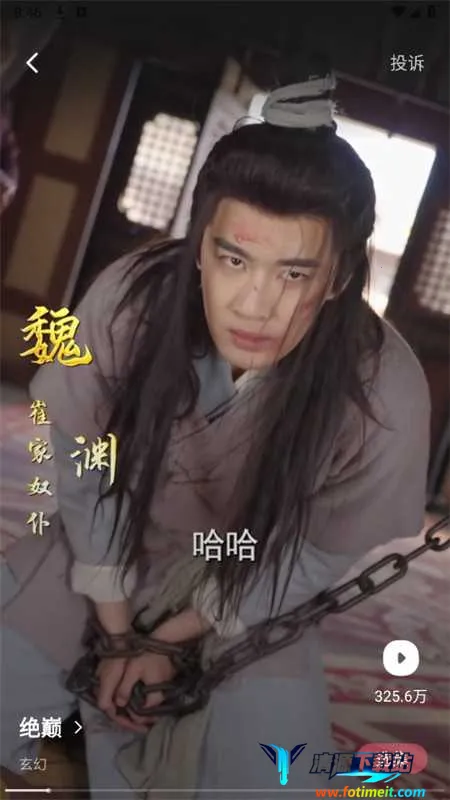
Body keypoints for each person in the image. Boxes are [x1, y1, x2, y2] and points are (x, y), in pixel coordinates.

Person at [1, 76, 430, 799]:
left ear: (337, 279)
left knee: (268, 780)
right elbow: (83, 468)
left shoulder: (384, 388)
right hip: (98, 552)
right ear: (200, 246)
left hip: (246, 589)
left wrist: (169, 640)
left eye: (294, 272)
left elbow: (312, 556)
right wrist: (116, 633)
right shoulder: (132, 297)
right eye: (234, 259)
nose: (255, 304)